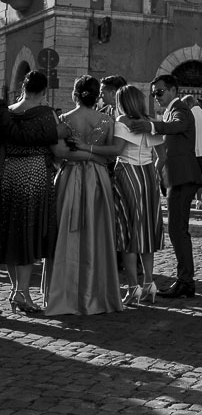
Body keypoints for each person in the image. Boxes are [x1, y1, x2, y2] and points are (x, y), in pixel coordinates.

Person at [45, 76, 123, 316]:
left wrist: (79, 153)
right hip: (98, 179)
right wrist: (93, 157)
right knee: (97, 232)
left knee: (65, 233)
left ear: (75, 94)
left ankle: (64, 293)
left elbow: (59, 153)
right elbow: (111, 156)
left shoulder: (65, 120)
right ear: (96, 95)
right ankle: (97, 293)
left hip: (69, 178)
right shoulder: (107, 120)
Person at [124, 74, 202, 299]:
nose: (155, 97)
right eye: (153, 93)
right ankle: (185, 279)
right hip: (176, 177)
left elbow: (176, 126)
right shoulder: (169, 110)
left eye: (159, 92)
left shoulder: (181, 109)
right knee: (177, 230)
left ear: (173, 91)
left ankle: (186, 281)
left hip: (183, 177)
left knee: (178, 231)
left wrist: (149, 125)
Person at [0, 72, 70, 314]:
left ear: (23, 87)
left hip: (9, 173)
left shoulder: (8, 111)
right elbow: (58, 151)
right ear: (44, 91)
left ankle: (14, 290)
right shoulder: (46, 113)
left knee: (11, 233)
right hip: (35, 173)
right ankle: (23, 293)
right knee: (28, 232)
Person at [110, 85, 166, 305]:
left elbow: (117, 150)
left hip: (127, 172)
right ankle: (149, 282)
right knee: (147, 231)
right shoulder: (149, 122)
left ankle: (133, 286)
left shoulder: (122, 121)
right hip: (148, 173)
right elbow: (162, 156)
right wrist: (156, 173)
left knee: (128, 232)